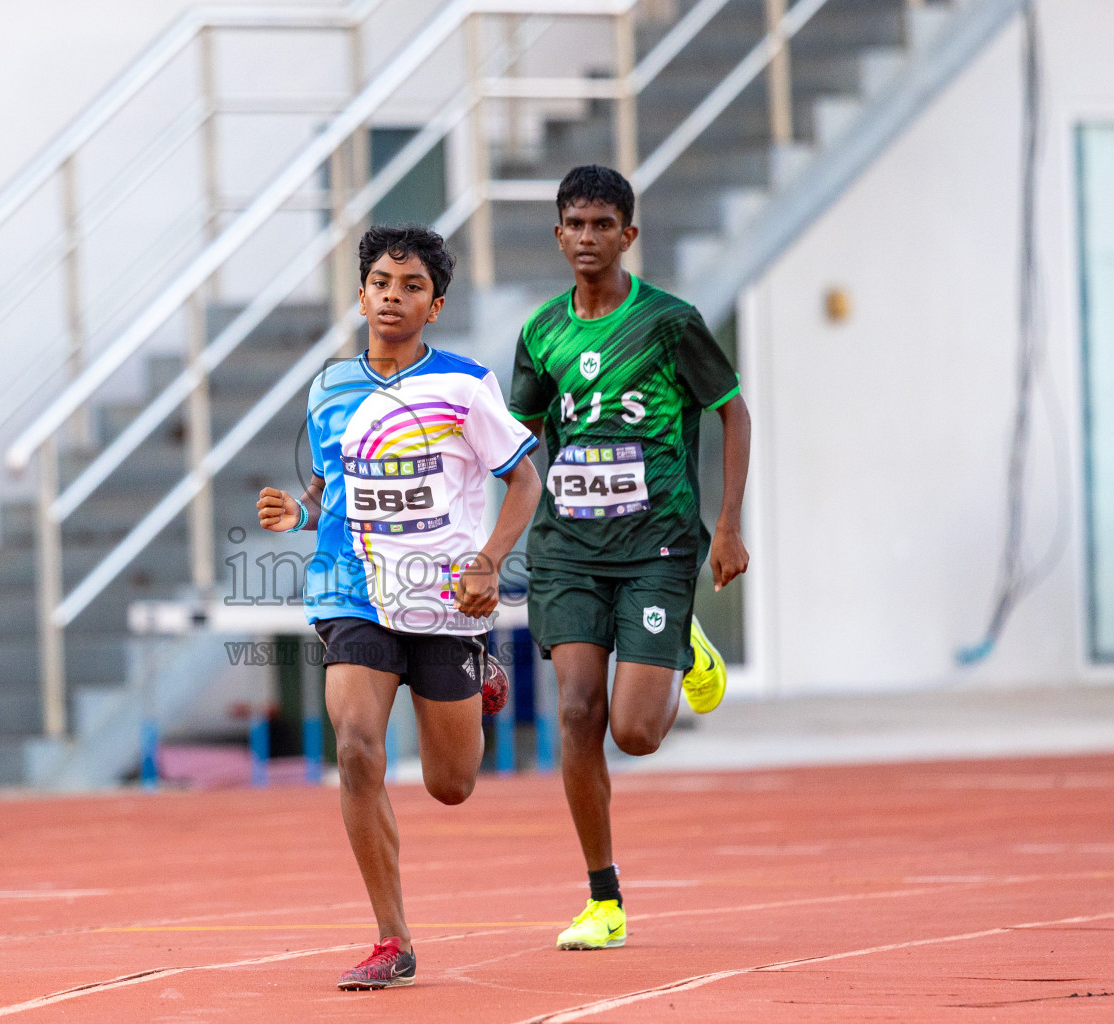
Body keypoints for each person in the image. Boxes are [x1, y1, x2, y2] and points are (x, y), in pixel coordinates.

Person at [257, 224, 542, 990]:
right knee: (356, 746)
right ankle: (393, 938)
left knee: (452, 784)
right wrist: (301, 512)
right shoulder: (328, 387)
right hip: (350, 589)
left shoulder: (465, 384)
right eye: (381, 282)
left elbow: (525, 480)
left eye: (411, 286)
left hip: (445, 596)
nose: (393, 296)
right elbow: (332, 484)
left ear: (435, 304)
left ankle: (477, 673)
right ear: (361, 295)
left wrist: (489, 560)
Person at [508, 165, 751, 951]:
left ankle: (682, 641)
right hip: (570, 548)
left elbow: (732, 413)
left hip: (659, 543)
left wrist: (727, 524)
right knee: (577, 712)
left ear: (628, 235)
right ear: (557, 235)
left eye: (601, 225)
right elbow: (521, 439)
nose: (587, 238)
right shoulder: (541, 332)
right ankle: (602, 899)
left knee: (637, 734)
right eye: (574, 225)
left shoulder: (670, 323)